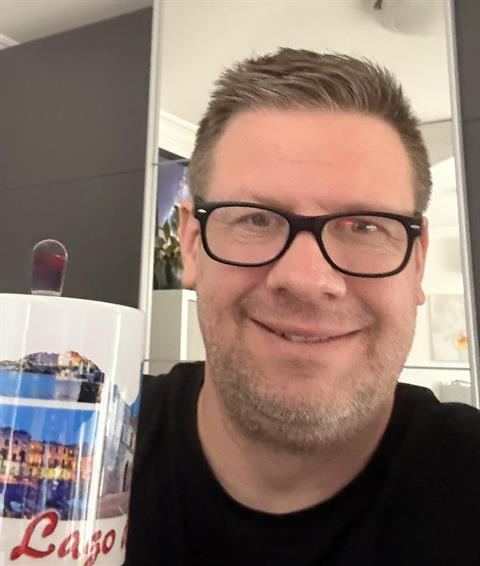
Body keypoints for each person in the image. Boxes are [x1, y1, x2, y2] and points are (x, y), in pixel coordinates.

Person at [125, 48, 480, 566]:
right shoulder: (63, 449)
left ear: (418, 260)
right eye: (255, 219)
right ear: (193, 244)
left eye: (364, 226)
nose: (308, 280)